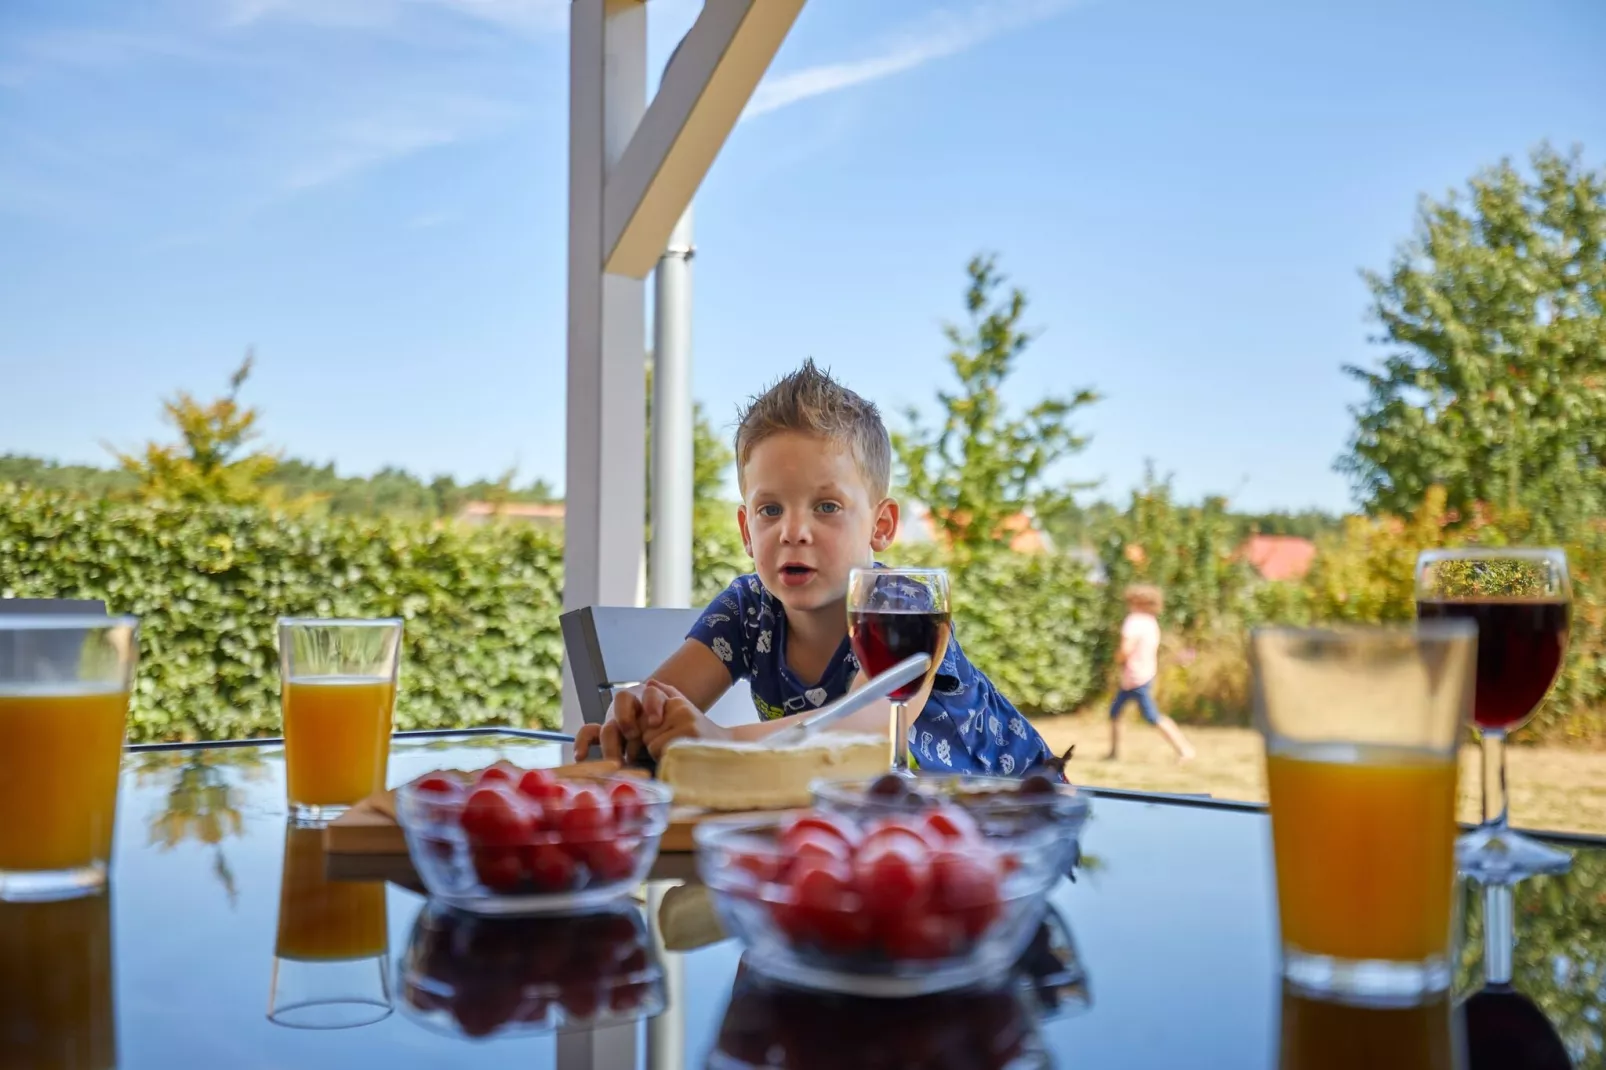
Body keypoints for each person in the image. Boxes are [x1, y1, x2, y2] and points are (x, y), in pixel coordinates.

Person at [572, 359, 1058, 777]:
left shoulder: (904, 607)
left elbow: (865, 729)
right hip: (881, 836)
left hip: (1015, 818)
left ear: (881, 525)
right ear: (746, 530)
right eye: (770, 510)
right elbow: (666, 695)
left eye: (826, 507)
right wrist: (636, 713)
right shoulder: (747, 611)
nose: (793, 531)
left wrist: (720, 742)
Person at [1105, 584, 1195, 762]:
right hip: (1141, 675)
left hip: (1136, 677)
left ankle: (1185, 749)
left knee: (1153, 717)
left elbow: (1126, 649)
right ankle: (1113, 753)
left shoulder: (1134, 621)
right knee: (1115, 713)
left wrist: (1118, 657)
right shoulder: (1150, 622)